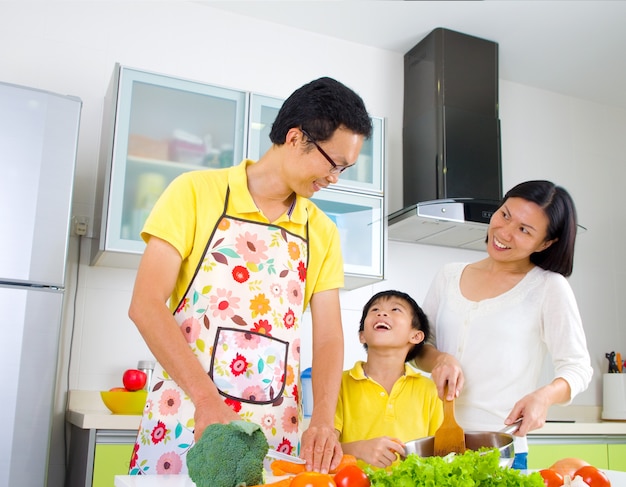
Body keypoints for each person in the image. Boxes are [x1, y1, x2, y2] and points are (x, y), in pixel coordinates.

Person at [127, 77, 373, 475]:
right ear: (296, 138)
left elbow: (328, 335)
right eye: (334, 164)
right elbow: (146, 305)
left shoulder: (321, 231)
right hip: (186, 419)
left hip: (274, 433)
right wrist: (207, 401)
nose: (335, 179)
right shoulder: (195, 192)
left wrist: (323, 420)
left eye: (345, 169)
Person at [414, 180, 593, 469]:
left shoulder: (548, 288)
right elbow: (419, 347)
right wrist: (441, 360)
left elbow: (578, 368)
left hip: (500, 449)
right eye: (505, 215)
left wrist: (544, 397)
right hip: (436, 442)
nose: (504, 232)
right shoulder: (448, 276)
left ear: (546, 243)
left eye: (524, 230)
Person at [334, 290, 443, 468]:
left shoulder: (430, 390)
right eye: (375, 309)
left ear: (416, 336)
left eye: (395, 310)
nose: (382, 313)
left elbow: (439, 456)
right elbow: (321, 449)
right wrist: (359, 449)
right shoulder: (339, 383)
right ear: (362, 335)